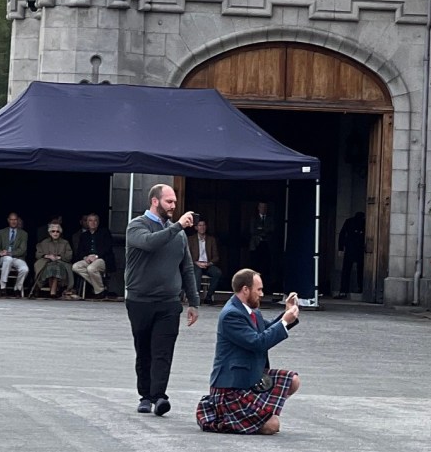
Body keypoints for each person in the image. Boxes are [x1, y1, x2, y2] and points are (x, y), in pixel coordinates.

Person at [196, 269, 301, 435]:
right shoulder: (231, 315)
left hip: (250, 377)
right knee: (272, 426)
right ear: (245, 289)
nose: (262, 294)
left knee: (293, 380)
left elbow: (266, 330)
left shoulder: (250, 310)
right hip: (231, 388)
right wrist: (284, 322)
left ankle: (258, 412)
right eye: (258, 290)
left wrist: (287, 316)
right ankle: (226, 418)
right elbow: (258, 342)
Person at [125, 183, 199, 416]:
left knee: (163, 351)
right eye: (169, 201)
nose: (173, 206)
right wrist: (177, 226)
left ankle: (159, 396)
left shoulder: (178, 235)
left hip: (169, 302)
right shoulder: (136, 226)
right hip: (140, 301)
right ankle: (144, 396)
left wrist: (194, 302)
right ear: (155, 201)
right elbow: (150, 243)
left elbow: (186, 267)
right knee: (144, 349)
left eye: (175, 202)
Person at [73, 212, 115, 299]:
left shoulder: (105, 232)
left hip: (102, 259)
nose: (93, 222)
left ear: (98, 222)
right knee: (76, 267)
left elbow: (107, 248)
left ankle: (99, 291)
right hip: (89, 259)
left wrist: (96, 256)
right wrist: (86, 257)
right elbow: (80, 251)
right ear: (87, 223)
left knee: (91, 268)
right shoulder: (84, 236)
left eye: (95, 220)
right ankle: (101, 289)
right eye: (90, 221)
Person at [0, 212, 29, 297]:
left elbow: (22, 250)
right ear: (8, 220)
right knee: (8, 259)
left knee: (25, 269)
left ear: (17, 220)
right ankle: (3, 286)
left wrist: (10, 253)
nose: (13, 221)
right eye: (11, 219)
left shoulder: (23, 234)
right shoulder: (1, 232)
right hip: (4, 258)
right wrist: (0, 252)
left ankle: (17, 288)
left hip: (17, 257)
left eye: (15, 219)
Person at [33, 222, 74, 298]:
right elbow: (37, 254)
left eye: (57, 231)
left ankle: (53, 291)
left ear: (60, 233)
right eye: (53, 231)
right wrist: (47, 256)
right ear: (49, 233)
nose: (55, 233)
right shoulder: (44, 242)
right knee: (50, 267)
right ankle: (52, 292)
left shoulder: (65, 243)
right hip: (46, 263)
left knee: (56, 267)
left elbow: (69, 256)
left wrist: (59, 257)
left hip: (61, 263)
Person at [188, 218, 223, 305]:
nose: (202, 227)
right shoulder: (190, 239)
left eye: (204, 225)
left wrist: (209, 263)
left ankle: (208, 296)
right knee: (197, 272)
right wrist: (196, 262)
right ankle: (196, 297)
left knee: (217, 272)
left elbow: (216, 257)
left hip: (207, 264)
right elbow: (187, 255)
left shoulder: (211, 240)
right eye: (200, 225)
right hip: (195, 263)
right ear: (196, 227)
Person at [335, 211, 366, 298]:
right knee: (360, 270)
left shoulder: (349, 221)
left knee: (346, 270)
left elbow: (342, 235)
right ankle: (361, 288)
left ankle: (344, 290)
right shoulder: (363, 222)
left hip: (350, 248)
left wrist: (341, 248)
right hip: (359, 249)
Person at [247, 202, 276, 285]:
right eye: (261, 207)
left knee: (266, 266)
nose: (263, 209)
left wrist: (261, 230)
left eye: (265, 207)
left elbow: (271, 230)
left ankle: (266, 285)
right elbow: (253, 231)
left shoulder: (270, 219)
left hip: (267, 245)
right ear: (258, 208)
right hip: (255, 246)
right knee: (255, 266)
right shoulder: (254, 218)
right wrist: (263, 231)